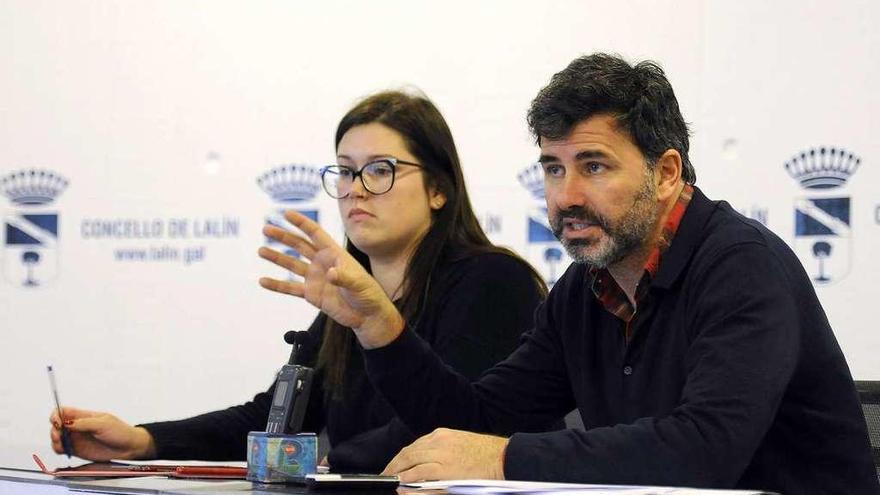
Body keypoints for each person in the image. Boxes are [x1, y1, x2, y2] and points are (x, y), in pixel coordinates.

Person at [267, 55, 879, 493]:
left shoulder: (743, 266)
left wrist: (506, 459)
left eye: (593, 166)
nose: (566, 197)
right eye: (553, 170)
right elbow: (480, 419)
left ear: (666, 173)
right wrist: (383, 329)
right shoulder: (585, 289)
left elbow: (704, 450)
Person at [49, 90, 550, 473]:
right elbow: (273, 419)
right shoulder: (350, 294)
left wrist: (323, 467)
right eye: (346, 172)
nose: (356, 189)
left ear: (438, 189)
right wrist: (143, 441)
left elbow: (454, 424)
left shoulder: (493, 281)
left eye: (380, 171)